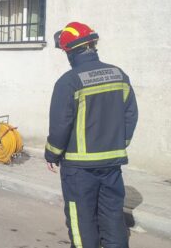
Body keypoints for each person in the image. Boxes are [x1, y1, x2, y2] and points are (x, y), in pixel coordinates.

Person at [45, 22, 138, 248]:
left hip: (79, 168)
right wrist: (118, 143)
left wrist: (52, 154)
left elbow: (60, 125)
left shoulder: (69, 81)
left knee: (82, 220)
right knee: (113, 216)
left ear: (70, 51)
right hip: (112, 163)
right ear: (92, 46)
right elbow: (130, 115)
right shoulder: (119, 75)